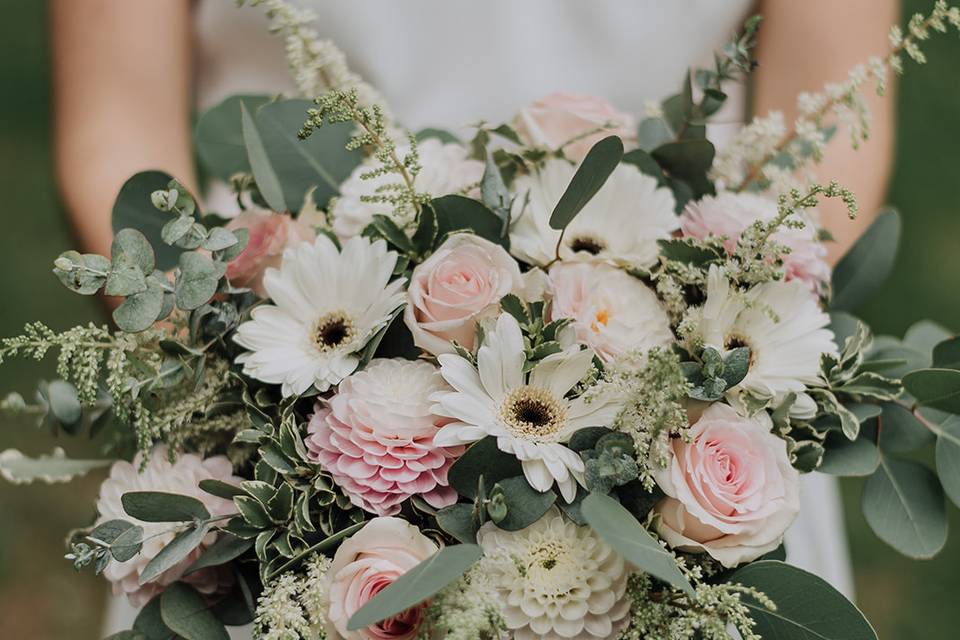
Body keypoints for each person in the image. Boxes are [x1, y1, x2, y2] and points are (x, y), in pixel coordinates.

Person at [50, 0, 897, 635]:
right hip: (284, 403)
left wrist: (678, 393)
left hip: (681, 405)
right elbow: (117, 119)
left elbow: (825, 134)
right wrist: (248, 387)